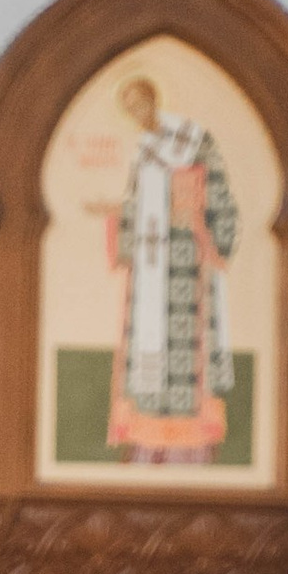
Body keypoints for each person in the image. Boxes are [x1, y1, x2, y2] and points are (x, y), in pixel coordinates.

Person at [99, 72, 239, 469]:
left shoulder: (195, 140)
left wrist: (196, 215)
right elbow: (134, 202)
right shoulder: (145, 150)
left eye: (139, 104)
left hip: (188, 265)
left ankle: (189, 451)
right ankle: (148, 446)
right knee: (147, 355)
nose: (136, 115)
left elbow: (221, 199)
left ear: (153, 100)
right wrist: (115, 213)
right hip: (149, 270)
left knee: (187, 357)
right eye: (129, 110)